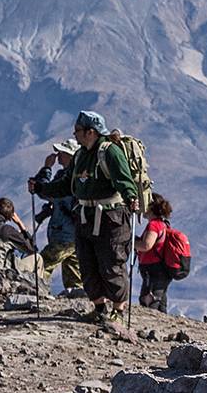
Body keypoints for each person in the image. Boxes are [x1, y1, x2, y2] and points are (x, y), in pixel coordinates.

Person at [29, 110, 137, 324]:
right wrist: (41, 187)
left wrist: (131, 197)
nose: (75, 134)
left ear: (91, 132)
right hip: (85, 216)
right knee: (87, 264)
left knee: (111, 262)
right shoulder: (80, 156)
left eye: (78, 131)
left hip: (110, 216)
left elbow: (124, 180)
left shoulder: (110, 152)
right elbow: (65, 186)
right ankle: (99, 308)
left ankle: (118, 310)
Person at [31, 139, 85, 296]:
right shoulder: (73, 176)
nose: (58, 155)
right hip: (74, 233)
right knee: (73, 271)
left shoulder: (68, 178)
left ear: (70, 156)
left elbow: (44, 191)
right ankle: (77, 299)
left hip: (65, 235)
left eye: (62, 153)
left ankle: (36, 293)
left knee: (42, 264)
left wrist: (46, 168)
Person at [135, 193, 175, 313]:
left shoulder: (154, 225)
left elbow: (146, 245)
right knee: (160, 302)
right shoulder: (162, 224)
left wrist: (131, 242)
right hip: (161, 270)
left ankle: (149, 329)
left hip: (153, 270)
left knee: (149, 301)